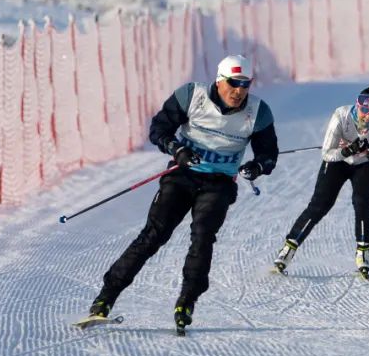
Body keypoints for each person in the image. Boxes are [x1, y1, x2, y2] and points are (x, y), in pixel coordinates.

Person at [85, 54, 278, 332]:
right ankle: (105, 299)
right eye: (234, 83)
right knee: (154, 235)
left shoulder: (258, 112)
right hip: (181, 176)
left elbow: (268, 153)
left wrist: (257, 166)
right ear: (220, 81)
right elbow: (159, 129)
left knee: (202, 238)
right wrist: (177, 149)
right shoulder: (192, 95)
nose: (239, 91)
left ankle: (186, 301)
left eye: (246, 84)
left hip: (219, 183)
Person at [272, 87, 369, 281]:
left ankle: (363, 253)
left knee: (362, 202)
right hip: (337, 161)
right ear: (357, 106)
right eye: (364, 110)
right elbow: (327, 153)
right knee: (320, 204)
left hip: (365, 164)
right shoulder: (341, 115)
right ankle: (289, 248)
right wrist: (347, 151)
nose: (368, 116)